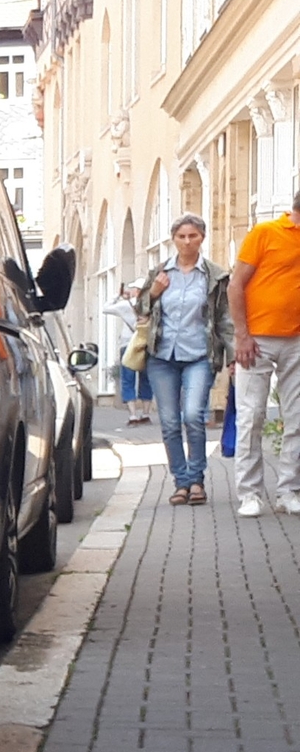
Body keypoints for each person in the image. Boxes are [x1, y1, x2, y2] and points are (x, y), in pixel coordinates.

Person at [136, 217, 229, 504]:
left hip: (199, 355)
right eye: (181, 236)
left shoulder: (214, 276)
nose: (187, 241)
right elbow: (139, 307)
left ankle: (197, 481)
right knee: (169, 422)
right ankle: (181, 482)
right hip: (162, 357)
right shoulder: (160, 272)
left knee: (192, 416)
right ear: (173, 239)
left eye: (193, 236)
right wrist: (153, 293)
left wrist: (235, 356)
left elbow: (225, 319)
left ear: (202, 238)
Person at [230, 199, 300, 516]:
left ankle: (289, 491)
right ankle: (250, 494)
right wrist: (242, 335)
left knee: (297, 418)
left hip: (296, 340)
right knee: (251, 415)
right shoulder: (266, 232)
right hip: (256, 339)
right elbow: (235, 285)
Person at [108, 281, 151, 422]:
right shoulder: (150, 304)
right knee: (146, 379)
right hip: (145, 344)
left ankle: (133, 415)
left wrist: (118, 296)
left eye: (132, 289)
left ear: (136, 291)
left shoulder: (125, 305)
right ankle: (145, 413)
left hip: (128, 344)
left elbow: (106, 308)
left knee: (128, 379)